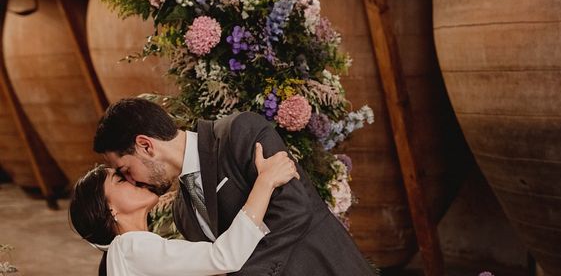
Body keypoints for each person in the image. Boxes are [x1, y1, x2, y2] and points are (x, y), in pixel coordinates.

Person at [94, 98, 376, 275]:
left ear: (146, 145)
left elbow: (294, 212)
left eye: (125, 170)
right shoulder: (183, 213)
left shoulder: (239, 133)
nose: (132, 181)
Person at [69, 142, 298, 276]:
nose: (133, 179)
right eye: (120, 179)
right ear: (109, 208)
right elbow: (224, 257)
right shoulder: (131, 247)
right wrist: (266, 182)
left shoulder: (127, 253)